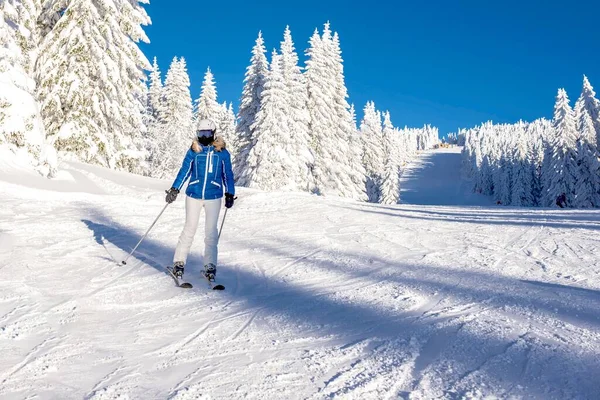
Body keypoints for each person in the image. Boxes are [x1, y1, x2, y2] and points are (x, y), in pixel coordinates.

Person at [165, 119, 235, 282]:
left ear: (213, 133)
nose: (203, 137)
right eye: (200, 133)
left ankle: (210, 266)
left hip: (214, 196)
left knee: (211, 232)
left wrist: (229, 193)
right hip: (194, 194)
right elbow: (184, 171)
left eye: (207, 133)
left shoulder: (222, 152)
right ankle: (179, 263)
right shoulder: (194, 150)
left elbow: (228, 174)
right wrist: (175, 189)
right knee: (189, 228)